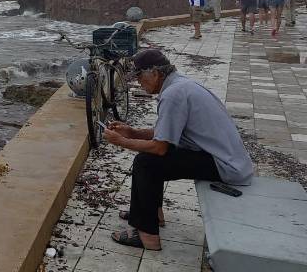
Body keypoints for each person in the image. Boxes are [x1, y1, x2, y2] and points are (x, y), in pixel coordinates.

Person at [105, 49, 253, 251]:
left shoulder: (173, 94)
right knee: (149, 160)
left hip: (226, 165)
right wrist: (132, 132)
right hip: (226, 158)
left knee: (146, 163)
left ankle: (147, 235)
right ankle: (151, 214)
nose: (138, 83)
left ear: (155, 73)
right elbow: (165, 133)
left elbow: (159, 147)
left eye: (139, 77)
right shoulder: (179, 84)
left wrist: (120, 141)